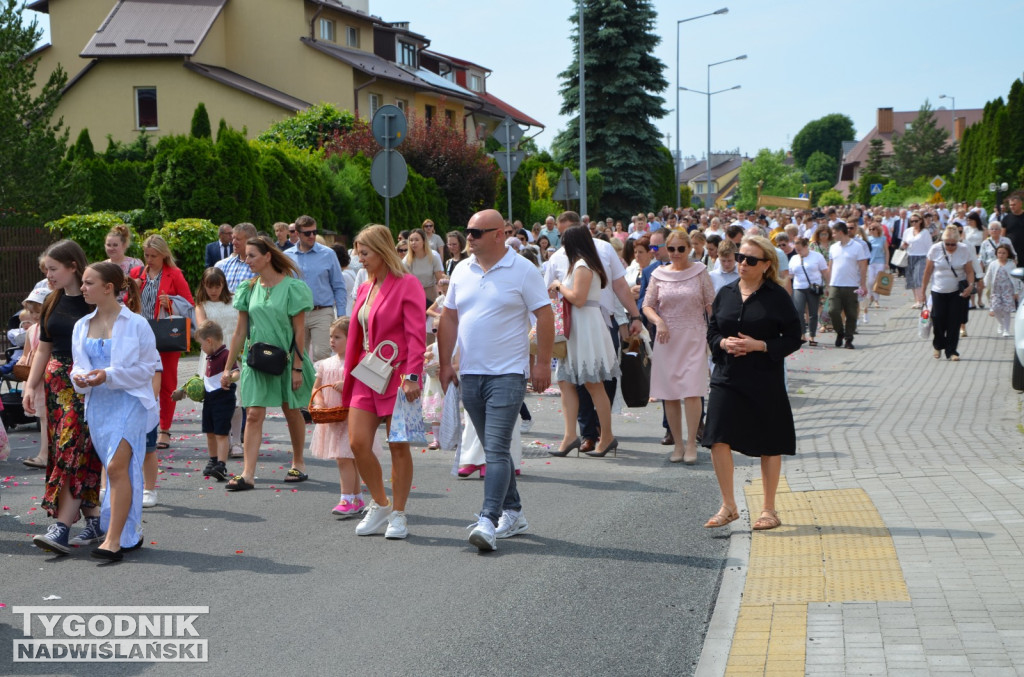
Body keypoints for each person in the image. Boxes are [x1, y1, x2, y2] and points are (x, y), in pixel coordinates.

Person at [438, 209, 553, 551]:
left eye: (476, 232)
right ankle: (513, 511)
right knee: (492, 448)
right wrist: (446, 363)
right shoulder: (461, 269)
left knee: (498, 447)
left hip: (508, 373)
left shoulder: (523, 270)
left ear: (499, 234)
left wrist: (543, 363)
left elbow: (544, 315)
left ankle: (488, 519)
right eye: (468, 231)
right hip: (471, 373)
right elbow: (449, 318)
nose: (468, 238)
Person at [703, 235, 803, 531]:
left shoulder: (777, 296)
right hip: (726, 376)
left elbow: (794, 338)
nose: (742, 263)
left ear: (766, 265)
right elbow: (711, 330)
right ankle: (728, 506)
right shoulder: (726, 292)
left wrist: (761, 346)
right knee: (717, 437)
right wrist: (722, 343)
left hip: (764, 378)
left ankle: (769, 510)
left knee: (770, 443)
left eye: (750, 260)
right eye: (740, 256)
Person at [341, 224, 426, 539]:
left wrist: (413, 376)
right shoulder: (364, 287)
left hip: (398, 375)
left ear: (381, 250)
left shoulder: (408, 284)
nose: (359, 259)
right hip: (367, 374)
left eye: (364, 253)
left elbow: (417, 335)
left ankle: (399, 514)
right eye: (358, 253)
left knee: (398, 447)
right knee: (357, 443)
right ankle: (380, 504)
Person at [71, 262, 160, 560]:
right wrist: (80, 378)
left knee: (116, 468)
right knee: (119, 470)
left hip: (131, 402)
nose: (82, 288)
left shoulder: (136, 323)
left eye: (88, 283)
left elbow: (148, 369)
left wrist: (108, 375)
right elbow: (79, 366)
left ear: (108, 288)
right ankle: (128, 533)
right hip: (99, 406)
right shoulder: (81, 325)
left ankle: (112, 540)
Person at [24, 240, 102, 554]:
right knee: (70, 452)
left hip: (85, 387)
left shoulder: (93, 299)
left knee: (72, 448)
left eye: (53, 269)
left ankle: (61, 527)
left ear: (73, 266)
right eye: (46, 270)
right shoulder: (53, 300)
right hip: (55, 389)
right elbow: (43, 346)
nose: (48, 275)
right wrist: (30, 387)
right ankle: (94, 518)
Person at [221, 237, 315, 491]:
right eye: (246, 256)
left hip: (286, 359)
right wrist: (229, 367)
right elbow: (240, 332)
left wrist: (297, 367)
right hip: (255, 360)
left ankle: (298, 462)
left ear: (267, 256)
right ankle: (248, 473)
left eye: (252, 255)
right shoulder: (248, 288)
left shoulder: (293, 288)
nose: (247, 260)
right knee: (253, 414)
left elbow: (299, 333)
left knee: (291, 410)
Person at [642, 230, 714, 465]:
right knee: (670, 393)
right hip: (666, 339)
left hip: (694, 335)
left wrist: (717, 335)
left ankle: (692, 442)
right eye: (671, 249)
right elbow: (647, 305)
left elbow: (711, 304)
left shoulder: (700, 272)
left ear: (689, 249)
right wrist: (659, 321)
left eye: (680, 249)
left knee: (693, 390)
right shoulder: (658, 274)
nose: (675, 254)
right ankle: (679, 444)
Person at [548, 225, 621, 459]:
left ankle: (606, 435)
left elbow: (578, 299)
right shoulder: (582, 264)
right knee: (565, 381)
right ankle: (570, 435)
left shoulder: (582, 265)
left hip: (584, 326)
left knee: (592, 384)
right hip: (580, 326)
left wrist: (559, 285)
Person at [309, 317, 382, 516]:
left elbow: (371, 386)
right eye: (331, 336)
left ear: (352, 339)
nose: (332, 340)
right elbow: (317, 387)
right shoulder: (325, 364)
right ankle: (356, 498)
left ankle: (346, 498)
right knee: (346, 458)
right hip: (333, 418)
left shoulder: (359, 360)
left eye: (338, 337)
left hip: (353, 416)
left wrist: (347, 385)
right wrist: (319, 403)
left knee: (345, 457)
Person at [130, 235, 194, 457]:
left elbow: (190, 305)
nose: (148, 260)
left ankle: (165, 429)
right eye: (146, 255)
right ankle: (142, 426)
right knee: (139, 380)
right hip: (140, 334)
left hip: (166, 335)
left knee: (167, 383)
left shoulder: (174, 274)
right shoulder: (137, 274)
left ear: (164, 254)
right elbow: (125, 302)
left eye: (153, 256)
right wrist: (132, 289)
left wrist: (172, 303)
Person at [193, 267, 243, 458]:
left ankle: (237, 440)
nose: (213, 290)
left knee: (237, 397)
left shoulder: (235, 300)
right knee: (217, 397)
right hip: (213, 353)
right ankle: (225, 438)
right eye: (209, 286)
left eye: (217, 285)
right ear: (203, 286)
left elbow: (243, 322)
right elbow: (203, 328)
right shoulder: (201, 305)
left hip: (235, 348)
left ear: (224, 284)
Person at [284, 215, 347, 362]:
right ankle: (305, 385)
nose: (312, 236)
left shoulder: (328, 254)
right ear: (297, 234)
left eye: (314, 232)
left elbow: (338, 285)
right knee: (298, 357)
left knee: (322, 355)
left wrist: (342, 316)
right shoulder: (287, 256)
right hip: (296, 312)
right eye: (307, 233)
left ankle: (321, 386)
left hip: (322, 311)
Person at [191, 320, 238, 482]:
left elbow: (237, 372)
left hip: (223, 399)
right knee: (210, 432)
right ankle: (212, 460)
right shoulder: (209, 357)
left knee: (221, 434)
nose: (201, 348)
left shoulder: (226, 355)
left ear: (209, 341)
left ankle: (221, 464)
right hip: (209, 399)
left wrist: (229, 378)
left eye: (201, 345)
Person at [921, 226, 976, 361]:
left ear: (958, 241)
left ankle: (951, 351)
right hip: (938, 290)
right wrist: (922, 291)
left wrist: (970, 285)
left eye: (953, 244)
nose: (950, 246)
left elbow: (969, 271)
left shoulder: (964, 249)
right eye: (947, 244)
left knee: (954, 322)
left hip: (957, 292)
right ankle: (938, 345)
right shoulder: (935, 249)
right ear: (943, 241)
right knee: (938, 319)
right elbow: (928, 272)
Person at [17, 288, 51, 469]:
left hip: (47, 376)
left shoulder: (51, 327)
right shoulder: (32, 331)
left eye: (38, 311)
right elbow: (27, 353)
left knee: (47, 417)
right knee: (43, 418)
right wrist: (22, 362)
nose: (35, 315)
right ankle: (45, 454)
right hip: (34, 377)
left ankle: (45, 454)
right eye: (31, 312)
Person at [827, 222, 868, 349]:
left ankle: (848, 339)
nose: (832, 235)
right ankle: (840, 332)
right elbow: (830, 266)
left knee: (851, 313)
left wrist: (863, 284)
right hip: (835, 284)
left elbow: (862, 266)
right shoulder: (833, 247)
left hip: (851, 285)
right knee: (833, 311)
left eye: (834, 232)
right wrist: (828, 285)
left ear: (840, 232)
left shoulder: (857, 246)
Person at [790, 237, 829, 346]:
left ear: (806, 247)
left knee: (813, 312)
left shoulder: (817, 256)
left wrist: (828, 286)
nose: (798, 252)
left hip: (813, 287)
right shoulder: (794, 258)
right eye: (796, 249)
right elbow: (790, 274)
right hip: (798, 286)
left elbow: (825, 272)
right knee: (798, 311)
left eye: (799, 249)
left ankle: (812, 336)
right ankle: (802, 334)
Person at [984, 244, 1021, 337]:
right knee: (995, 308)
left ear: (1008, 254)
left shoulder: (1011, 264)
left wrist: (1016, 291)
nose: (1001, 255)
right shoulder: (993, 264)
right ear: (996, 253)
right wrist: (986, 284)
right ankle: (1001, 323)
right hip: (996, 290)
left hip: (1008, 290)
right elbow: (988, 275)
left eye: (1004, 253)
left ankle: (1006, 330)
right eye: (999, 253)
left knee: (1006, 310)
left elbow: (1016, 278)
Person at [404, 227, 445, 305]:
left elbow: (440, 280)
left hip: (430, 293)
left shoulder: (434, 256)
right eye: (411, 240)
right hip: (413, 294)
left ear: (423, 241)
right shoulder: (407, 259)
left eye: (416, 240)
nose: (413, 243)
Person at [900, 213, 932, 308]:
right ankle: (917, 300)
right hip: (910, 256)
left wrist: (929, 260)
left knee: (918, 278)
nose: (914, 223)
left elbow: (929, 247)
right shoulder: (907, 231)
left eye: (916, 221)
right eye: (912, 221)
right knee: (912, 280)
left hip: (922, 257)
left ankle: (922, 300)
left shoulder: (925, 232)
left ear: (921, 221)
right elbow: (902, 244)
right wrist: (904, 245)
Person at [215, 222, 257, 293]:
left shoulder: (260, 266)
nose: (233, 242)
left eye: (238, 239)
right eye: (233, 238)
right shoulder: (224, 265)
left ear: (251, 240)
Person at [865, 223, 890, 316]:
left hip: (880, 261)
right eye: (870, 229)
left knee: (877, 282)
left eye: (873, 229)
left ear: (877, 229)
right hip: (870, 262)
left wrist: (887, 263)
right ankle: (870, 296)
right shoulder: (868, 239)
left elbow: (886, 251)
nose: (871, 231)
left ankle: (876, 300)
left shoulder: (883, 239)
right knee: (870, 281)